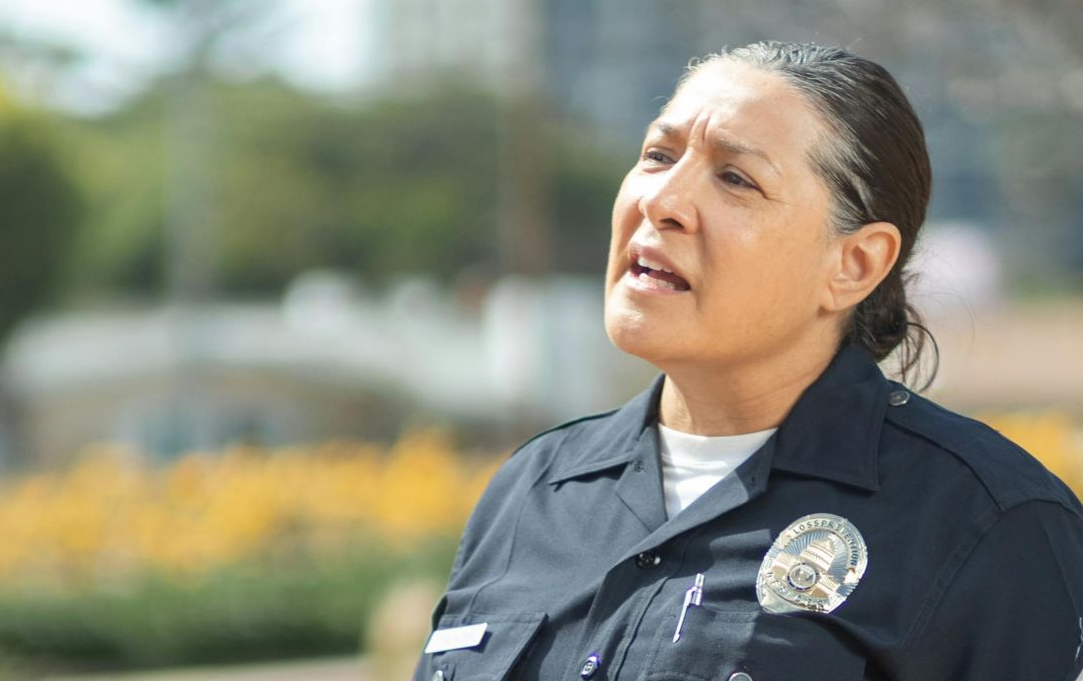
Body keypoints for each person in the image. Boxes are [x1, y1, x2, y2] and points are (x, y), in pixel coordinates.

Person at [413, 42, 1083, 681]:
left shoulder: (987, 520)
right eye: (657, 154)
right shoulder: (534, 491)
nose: (663, 201)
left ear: (853, 265)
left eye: (735, 178)